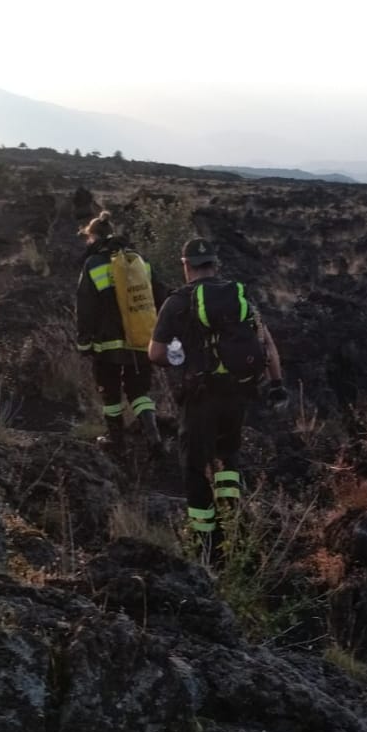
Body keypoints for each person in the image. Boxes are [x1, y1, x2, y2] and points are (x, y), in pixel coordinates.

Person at [148, 237, 286, 555]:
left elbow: (155, 353)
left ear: (186, 265)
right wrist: (277, 385)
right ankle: (232, 525)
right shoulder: (239, 296)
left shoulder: (177, 302)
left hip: (199, 398)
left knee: (194, 467)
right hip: (237, 393)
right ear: (215, 263)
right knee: (227, 457)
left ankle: (206, 543)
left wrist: (177, 357)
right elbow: (266, 344)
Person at [75, 211, 167, 457]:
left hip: (107, 344)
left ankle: (115, 440)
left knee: (110, 391)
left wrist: (84, 341)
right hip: (140, 338)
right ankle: (154, 437)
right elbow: (159, 296)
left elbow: (85, 306)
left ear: (93, 237)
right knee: (139, 391)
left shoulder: (93, 263)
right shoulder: (139, 260)